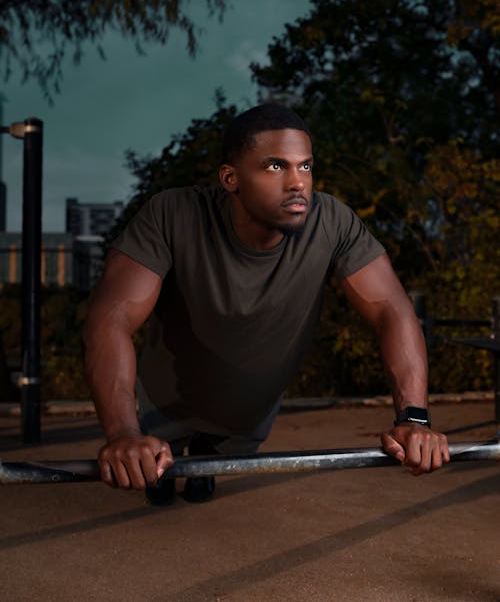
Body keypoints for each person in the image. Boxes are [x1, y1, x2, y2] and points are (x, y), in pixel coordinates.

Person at [83, 104, 449, 505]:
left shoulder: (332, 221)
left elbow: (391, 309)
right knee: (156, 479)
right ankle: (165, 467)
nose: (298, 183)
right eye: (276, 167)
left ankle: (205, 459)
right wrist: (122, 434)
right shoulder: (173, 213)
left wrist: (414, 418)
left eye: (305, 167)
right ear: (230, 178)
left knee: (209, 467)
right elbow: (111, 317)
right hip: (163, 404)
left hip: (246, 415)